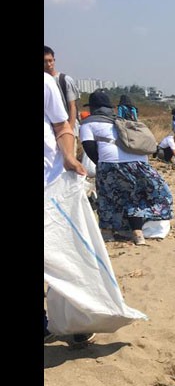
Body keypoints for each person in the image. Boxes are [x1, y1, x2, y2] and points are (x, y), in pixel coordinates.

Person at [80, 90, 174, 246]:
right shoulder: (119, 120)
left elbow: (89, 149)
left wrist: (104, 168)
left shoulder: (88, 123)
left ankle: (108, 233)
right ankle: (138, 234)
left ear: (92, 107)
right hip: (139, 163)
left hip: (110, 163)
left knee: (108, 197)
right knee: (136, 197)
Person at [44, 71, 95, 347]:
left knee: (62, 253)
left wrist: (68, 159)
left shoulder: (46, 84)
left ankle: (75, 320)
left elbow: (62, 126)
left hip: (49, 183)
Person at [44, 45, 80, 149]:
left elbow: (72, 107)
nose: (48, 64)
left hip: (66, 128)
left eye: (50, 60)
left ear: (54, 60)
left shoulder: (64, 80)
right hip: (50, 133)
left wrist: (69, 130)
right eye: (45, 61)